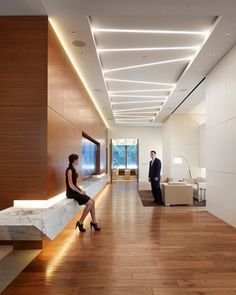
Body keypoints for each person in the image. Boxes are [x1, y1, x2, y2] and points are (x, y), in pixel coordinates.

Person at [65, 153, 101, 232]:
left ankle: (94, 222)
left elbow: (75, 184)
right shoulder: (69, 170)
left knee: (92, 202)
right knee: (90, 203)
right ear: (74, 160)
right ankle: (80, 222)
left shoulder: (73, 169)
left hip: (75, 191)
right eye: (77, 160)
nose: (78, 161)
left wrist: (81, 190)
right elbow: (70, 184)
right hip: (71, 193)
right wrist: (79, 192)